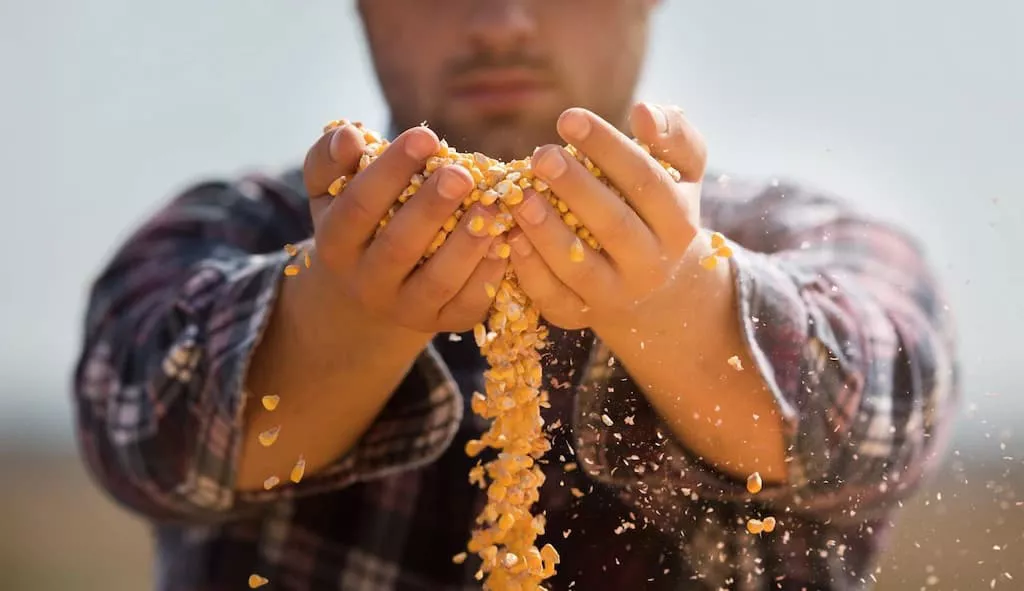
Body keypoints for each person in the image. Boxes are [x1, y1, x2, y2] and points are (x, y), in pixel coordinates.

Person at [72, 0, 959, 589]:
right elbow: (145, 429)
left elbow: (878, 411)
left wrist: (678, 296)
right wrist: (344, 311)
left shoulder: (806, 236)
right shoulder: (238, 229)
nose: (499, 21)